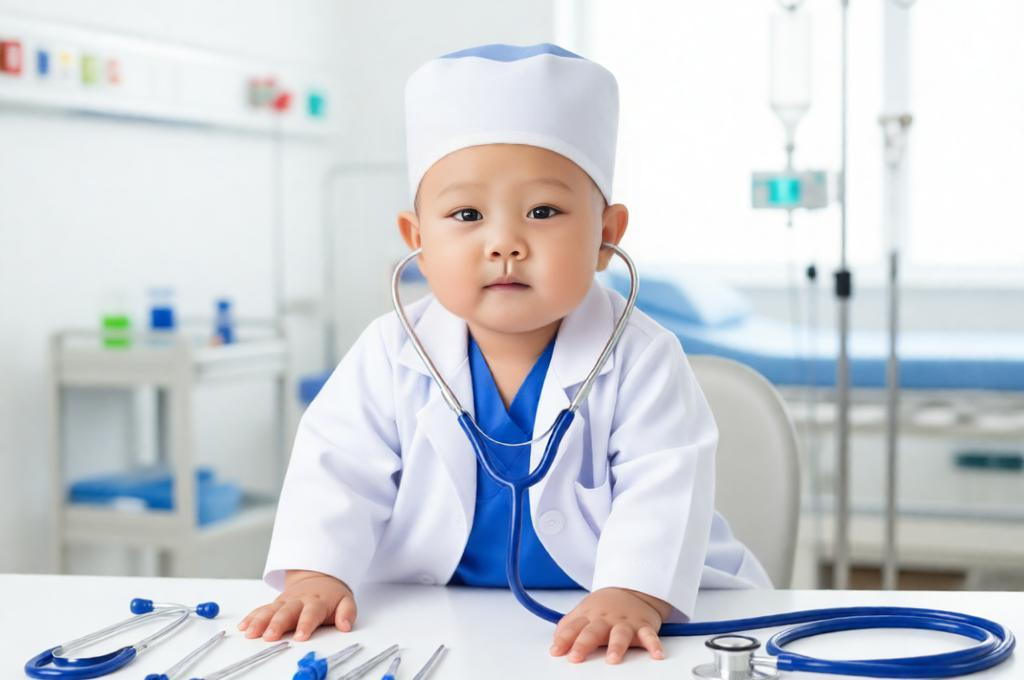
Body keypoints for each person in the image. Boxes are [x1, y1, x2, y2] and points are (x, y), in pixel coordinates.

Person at [241, 43, 770, 665]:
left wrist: (632, 591)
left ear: (606, 236)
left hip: (623, 623)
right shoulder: (390, 351)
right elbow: (336, 469)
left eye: (543, 211)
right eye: (466, 214)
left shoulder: (644, 357)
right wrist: (316, 573)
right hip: (438, 619)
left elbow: (664, 484)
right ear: (417, 240)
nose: (505, 243)